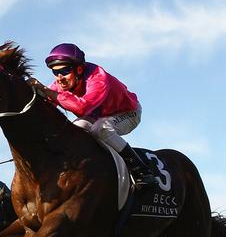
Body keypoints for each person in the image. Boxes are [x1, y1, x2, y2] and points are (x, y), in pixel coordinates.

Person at [27, 43, 158, 188]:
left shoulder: (98, 77)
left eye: (64, 70)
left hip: (128, 112)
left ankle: (142, 171)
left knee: (101, 128)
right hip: (98, 116)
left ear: (79, 69)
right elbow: (45, 106)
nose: (59, 78)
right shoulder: (60, 84)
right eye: (55, 72)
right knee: (74, 129)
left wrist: (44, 89)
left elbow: (82, 107)